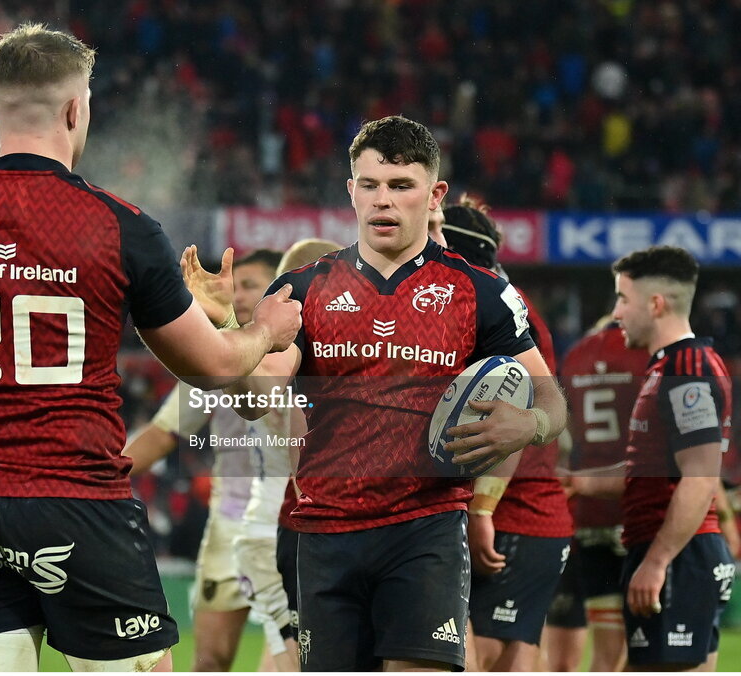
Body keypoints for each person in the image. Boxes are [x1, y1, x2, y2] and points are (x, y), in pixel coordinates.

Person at [0, 23, 300, 673]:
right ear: (75, 107)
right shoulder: (118, 225)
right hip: (79, 503)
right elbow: (218, 366)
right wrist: (266, 329)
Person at [214, 115, 567, 671]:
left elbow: (550, 400)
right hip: (326, 531)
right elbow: (256, 399)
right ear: (350, 190)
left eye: (401, 186)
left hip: (426, 531)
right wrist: (227, 338)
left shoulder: (482, 293)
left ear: (434, 194)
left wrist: (532, 425)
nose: (384, 201)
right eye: (371, 185)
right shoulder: (303, 289)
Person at [176, 238, 342, 672]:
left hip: (273, 525)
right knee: (302, 661)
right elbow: (270, 412)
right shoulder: (283, 351)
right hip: (282, 525)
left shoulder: (266, 347)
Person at [124, 248, 288, 672]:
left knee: (289, 658)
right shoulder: (213, 359)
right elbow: (162, 435)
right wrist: (94, 473)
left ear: (279, 290)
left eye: (251, 285)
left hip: (289, 524)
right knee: (209, 661)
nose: (239, 292)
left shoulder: (305, 355)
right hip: (229, 528)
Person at [441, 200, 574, 671]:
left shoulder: (494, 307)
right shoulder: (508, 303)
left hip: (515, 513)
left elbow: (509, 414)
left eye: (437, 238)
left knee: (477, 660)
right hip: (525, 514)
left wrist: (482, 510)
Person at [611, 246, 734, 671]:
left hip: (680, 557)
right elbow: (655, 466)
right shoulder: (667, 367)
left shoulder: (688, 369)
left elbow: (700, 479)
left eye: (623, 299)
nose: (616, 313)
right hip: (674, 552)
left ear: (656, 304)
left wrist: (657, 561)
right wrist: (581, 481)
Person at [548, 316, 649, 671]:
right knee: (650, 649)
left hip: (587, 514)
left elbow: (565, 433)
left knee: (605, 653)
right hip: (639, 513)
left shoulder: (576, 356)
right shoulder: (648, 353)